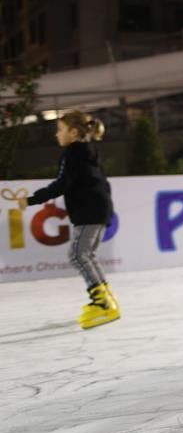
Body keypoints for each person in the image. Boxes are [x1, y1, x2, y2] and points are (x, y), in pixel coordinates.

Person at [18, 111, 118, 329]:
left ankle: (103, 304)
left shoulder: (73, 152)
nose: (57, 135)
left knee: (77, 254)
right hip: (98, 209)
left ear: (73, 132)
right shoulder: (89, 150)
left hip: (90, 211)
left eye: (60, 130)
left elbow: (62, 184)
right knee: (86, 255)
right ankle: (105, 299)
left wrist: (31, 200)